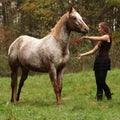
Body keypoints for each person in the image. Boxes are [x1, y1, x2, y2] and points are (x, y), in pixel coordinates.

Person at [76, 22, 112, 101]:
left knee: (101, 80)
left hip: (104, 61)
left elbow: (97, 38)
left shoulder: (107, 37)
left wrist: (86, 37)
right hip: (98, 61)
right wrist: (82, 55)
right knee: (98, 81)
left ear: (104, 28)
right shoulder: (101, 40)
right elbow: (93, 51)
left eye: (99, 28)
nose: (98, 29)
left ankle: (109, 95)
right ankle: (99, 99)